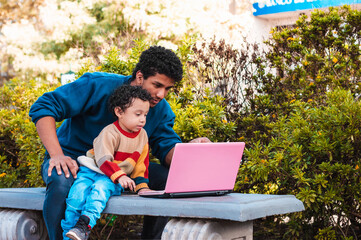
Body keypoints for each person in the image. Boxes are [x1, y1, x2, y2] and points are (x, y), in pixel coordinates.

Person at [29, 45, 210, 240]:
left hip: (122, 169)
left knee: (168, 179)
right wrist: (57, 155)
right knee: (61, 180)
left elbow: (166, 148)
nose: (161, 94)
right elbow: (44, 106)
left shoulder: (161, 110)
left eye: (167, 88)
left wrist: (188, 149)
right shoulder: (97, 85)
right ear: (140, 77)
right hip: (76, 160)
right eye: (157, 85)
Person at [62, 85, 153, 240]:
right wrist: (120, 176)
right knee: (75, 197)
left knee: (99, 191)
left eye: (145, 114)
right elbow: (103, 160)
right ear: (119, 112)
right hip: (91, 171)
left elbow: (141, 166)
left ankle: (84, 226)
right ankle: (68, 236)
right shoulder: (109, 132)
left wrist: (142, 187)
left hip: (111, 178)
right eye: (138, 114)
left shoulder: (142, 136)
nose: (143, 119)